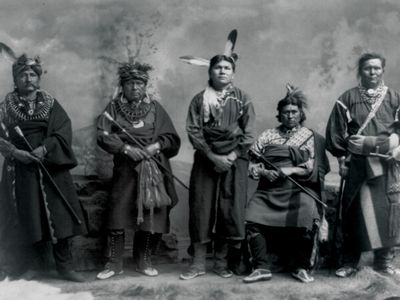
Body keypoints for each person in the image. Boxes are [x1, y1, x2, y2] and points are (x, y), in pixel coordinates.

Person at [0, 54, 87, 282]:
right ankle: (32, 266)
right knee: (27, 213)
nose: (28, 79)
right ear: (15, 80)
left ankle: (65, 267)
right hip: (21, 168)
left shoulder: (50, 103)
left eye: (32, 74)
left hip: (51, 165)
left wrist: (45, 148)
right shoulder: (5, 107)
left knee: (61, 214)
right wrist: (16, 153)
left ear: (38, 79)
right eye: (22, 75)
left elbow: (62, 130)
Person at [96, 61, 180, 279]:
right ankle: (114, 264)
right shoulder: (113, 108)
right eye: (130, 83)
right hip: (125, 169)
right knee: (118, 214)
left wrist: (155, 146)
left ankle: (143, 260)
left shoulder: (155, 108)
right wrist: (125, 148)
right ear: (123, 85)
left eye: (139, 83)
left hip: (153, 170)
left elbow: (171, 137)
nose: (135, 87)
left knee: (153, 213)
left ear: (145, 85)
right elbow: (102, 134)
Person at [180, 53, 256, 280]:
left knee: (229, 208)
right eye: (217, 68)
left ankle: (221, 262)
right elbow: (193, 130)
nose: (222, 71)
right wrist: (213, 156)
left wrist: (232, 156)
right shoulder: (199, 100)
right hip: (206, 159)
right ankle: (199, 262)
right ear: (209, 71)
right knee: (201, 207)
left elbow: (249, 132)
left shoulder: (243, 99)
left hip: (235, 161)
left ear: (233, 73)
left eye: (227, 68)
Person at [243, 85, 330, 284]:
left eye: (294, 112)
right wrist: (264, 171)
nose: (290, 116)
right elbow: (252, 165)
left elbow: (312, 167)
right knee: (252, 216)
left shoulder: (310, 137)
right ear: (279, 115)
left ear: (301, 114)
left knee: (308, 213)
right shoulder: (267, 135)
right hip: (268, 189)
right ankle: (261, 267)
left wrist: (290, 170)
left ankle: (301, 267)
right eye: (285, 112)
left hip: (298, 188)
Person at [326, 52, 400, 278]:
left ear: (383, 70)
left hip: (386, 164)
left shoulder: (395, 98)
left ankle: (383, 262)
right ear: (361, 71)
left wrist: (396, 149)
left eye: (377, 68)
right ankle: (350, 262)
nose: (373, 72)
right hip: (357, 165)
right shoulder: (347, 98)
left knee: (387, 212)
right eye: (368, 68)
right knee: (354, 212)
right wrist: (341, 161)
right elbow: (335, 134)